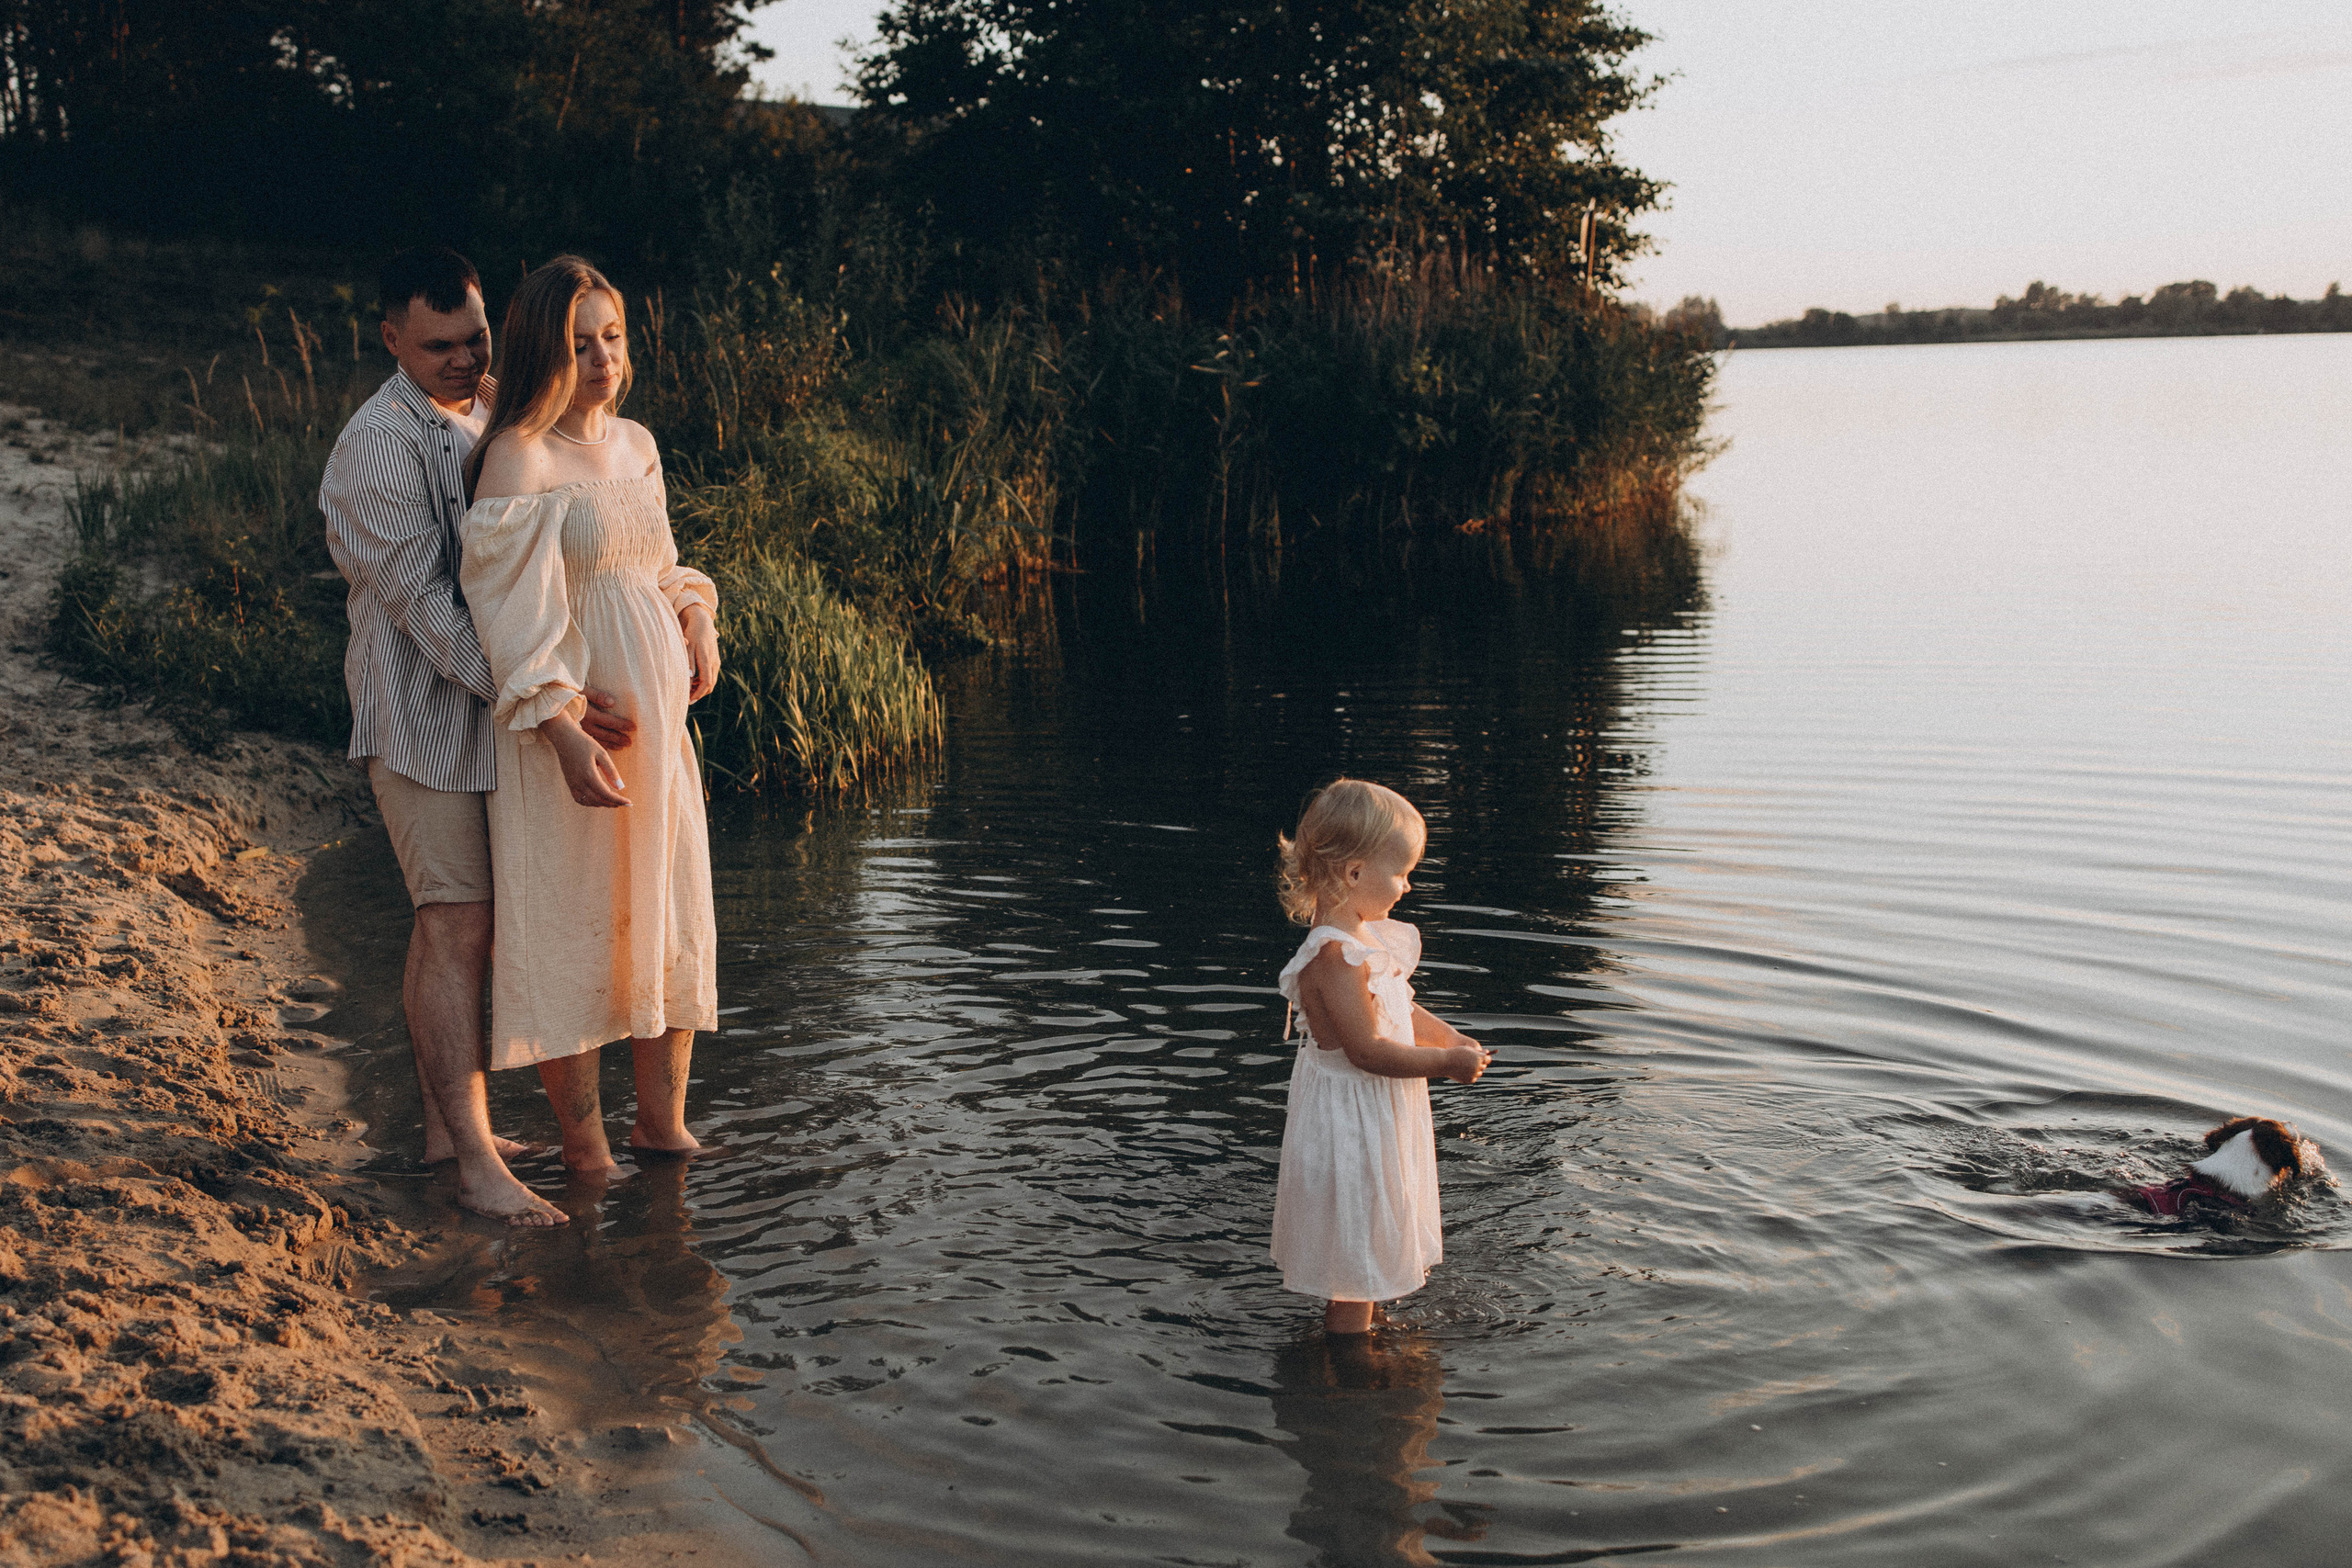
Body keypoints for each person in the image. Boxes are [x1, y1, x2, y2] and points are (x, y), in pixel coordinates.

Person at [321, 246, 636, 1226]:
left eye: (476, 341)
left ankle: (448, 1131)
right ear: (390, 339)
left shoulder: (485, 405)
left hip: (489, 717)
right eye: (439, 347)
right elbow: (424, 605)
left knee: (474, 924)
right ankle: (473, 1167)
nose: (464, 361)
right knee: (454, 922)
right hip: (420, 719)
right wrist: (549, 706)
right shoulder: (378, 445)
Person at [458, 254, 721, 1172]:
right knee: (570, 921)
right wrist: (563, 728)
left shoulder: (638, 443)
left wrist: (696, 616)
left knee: (663, 909)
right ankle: (587, 1152)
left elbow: (659, 563)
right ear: (544, 349)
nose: (603, 357)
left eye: (612, 336)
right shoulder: (518, 458)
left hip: (658, 730)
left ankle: (664, 1128)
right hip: (567, 736)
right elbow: (505, 617)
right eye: (580, 343)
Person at [1271, 779, 1490, 1335]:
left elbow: (1401, 1007)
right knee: (1356, 1249)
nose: (1408, 886)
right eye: (1402, 872)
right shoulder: (1336, 957)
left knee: (1371, 1236)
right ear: (1354, 873)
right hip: (1352, 1118)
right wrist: (1445, 1067)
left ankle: (1363, 1331)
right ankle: (1348, 1366)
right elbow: (1367, 1049)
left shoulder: (1366, 940)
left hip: (1375, 1111)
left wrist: (1453, 1041)